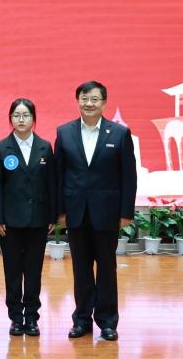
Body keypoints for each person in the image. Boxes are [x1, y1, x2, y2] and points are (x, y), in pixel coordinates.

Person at [54, 81, 137, 342]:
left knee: (107, 268)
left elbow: (129, 177)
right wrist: (60, 211)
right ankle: (81, 321)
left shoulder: (120, 134)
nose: (89, 103)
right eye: (84, 98)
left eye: (94, 99)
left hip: (107, 213)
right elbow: (58, 176)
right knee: (81, 270)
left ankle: (108, 322)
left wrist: (126, 212)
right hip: (76, 212)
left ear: (104, 103)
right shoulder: (64, 132)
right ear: (77, 100)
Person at [0, 98, 56, 337]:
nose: (21, 120)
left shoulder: (45, 147)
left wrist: (52, 215)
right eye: (16, 115)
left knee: (34, 271)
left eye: (26, 115)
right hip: (10, 222)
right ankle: (16, 318)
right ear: (10, 119)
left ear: (33, 119)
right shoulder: (1, 147)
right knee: (13, 271)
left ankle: (32, 317)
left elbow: (51, 184)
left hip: (39, 219)